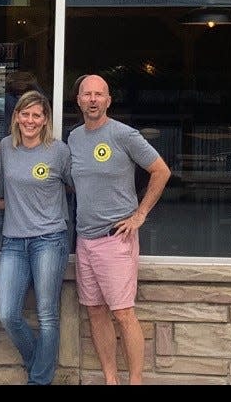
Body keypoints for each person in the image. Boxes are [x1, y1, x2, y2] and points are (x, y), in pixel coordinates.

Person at [68, 73, 171, 385]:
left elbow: (161, 170)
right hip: (85, 240)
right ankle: (111, 379)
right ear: (79, 100)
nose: (93, 100)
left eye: (99, 95)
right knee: (96, 312)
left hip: (116, 240)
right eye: (88, 94)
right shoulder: (73, 138)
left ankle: (135, 381)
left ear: (108, 100)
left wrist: (140, 214)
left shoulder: (124, 135)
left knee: (123, 314)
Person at [0, 89, 72, 385]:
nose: (30, 120)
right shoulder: (4, 147)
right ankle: (37, 363)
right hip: (13, 240)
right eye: (24, 114)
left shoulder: (58, 150)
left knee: (46, 313)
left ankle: (39, 380)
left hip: (50, 239)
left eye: (36, 115)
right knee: (7, 314)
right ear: (16, 117)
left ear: (45, 120)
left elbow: (77, 186)